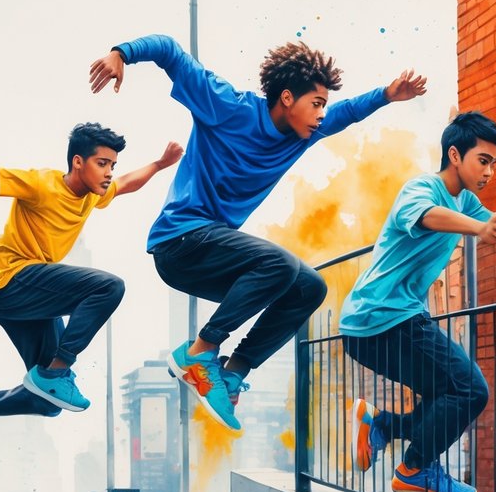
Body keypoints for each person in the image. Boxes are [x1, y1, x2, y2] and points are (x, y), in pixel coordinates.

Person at [88, 35, 427, 430]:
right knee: (279, 265)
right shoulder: (227, 106)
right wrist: (120, 53)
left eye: (323, 107)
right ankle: (198, 353)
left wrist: (387, 94)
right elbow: (171, 52)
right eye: (316, 104)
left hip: (213, 257)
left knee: (309, 288)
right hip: (179, 242)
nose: (322, 115)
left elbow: (348, 112)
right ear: (287, 98)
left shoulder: (307, 130)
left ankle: (232, 373)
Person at [0, 123, 181, 456]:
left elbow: (126, 184)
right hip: (10, 281)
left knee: (48, 402)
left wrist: (160, 164)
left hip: (32, 301)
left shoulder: (93, 196)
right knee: (109, 288)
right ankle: (58, 371)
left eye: (112, 165)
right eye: (102, 163)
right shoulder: (41, 184)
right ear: (78, 162)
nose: (108, 173)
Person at [342, 112, 496, 492]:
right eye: (482, 161)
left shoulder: (465, 200)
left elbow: (485, 220)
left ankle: (380, 424)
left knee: (447, 395)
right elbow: (424, 216)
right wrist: (480, 228)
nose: (488, 172)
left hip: (379, 322)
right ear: (455, 154)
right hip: (384, 317)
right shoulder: (422, 188)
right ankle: (415, 468)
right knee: (471, 390)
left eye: (493, 165)